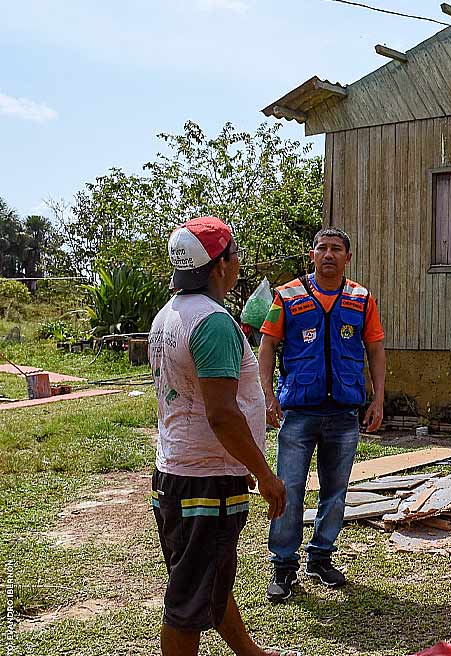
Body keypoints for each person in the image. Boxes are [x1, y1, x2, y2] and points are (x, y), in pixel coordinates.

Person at [149, 216, 292, 656]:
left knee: (205, 577)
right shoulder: (212, 322)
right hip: (205, 484)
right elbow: (222, 415)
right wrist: (265, 474)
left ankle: (250, 653)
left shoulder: (168, 313)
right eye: (234, 257)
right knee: (188, 600)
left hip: (180, 471)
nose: (237, 265)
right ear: (218, 266)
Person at [259, 227, 386, 603]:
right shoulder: (287, 295)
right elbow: (267, 346)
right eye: (322, 248)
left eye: (336, 249)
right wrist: (268, 394)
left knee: (335, 492)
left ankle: (321, 558)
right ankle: (283, 566)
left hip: (344, 414)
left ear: (348, 257)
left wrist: (378, 399)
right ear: (311, 255)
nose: (328, 254)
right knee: (288, 490)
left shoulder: (361, 299)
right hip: (298, 413)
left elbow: (376, 350)